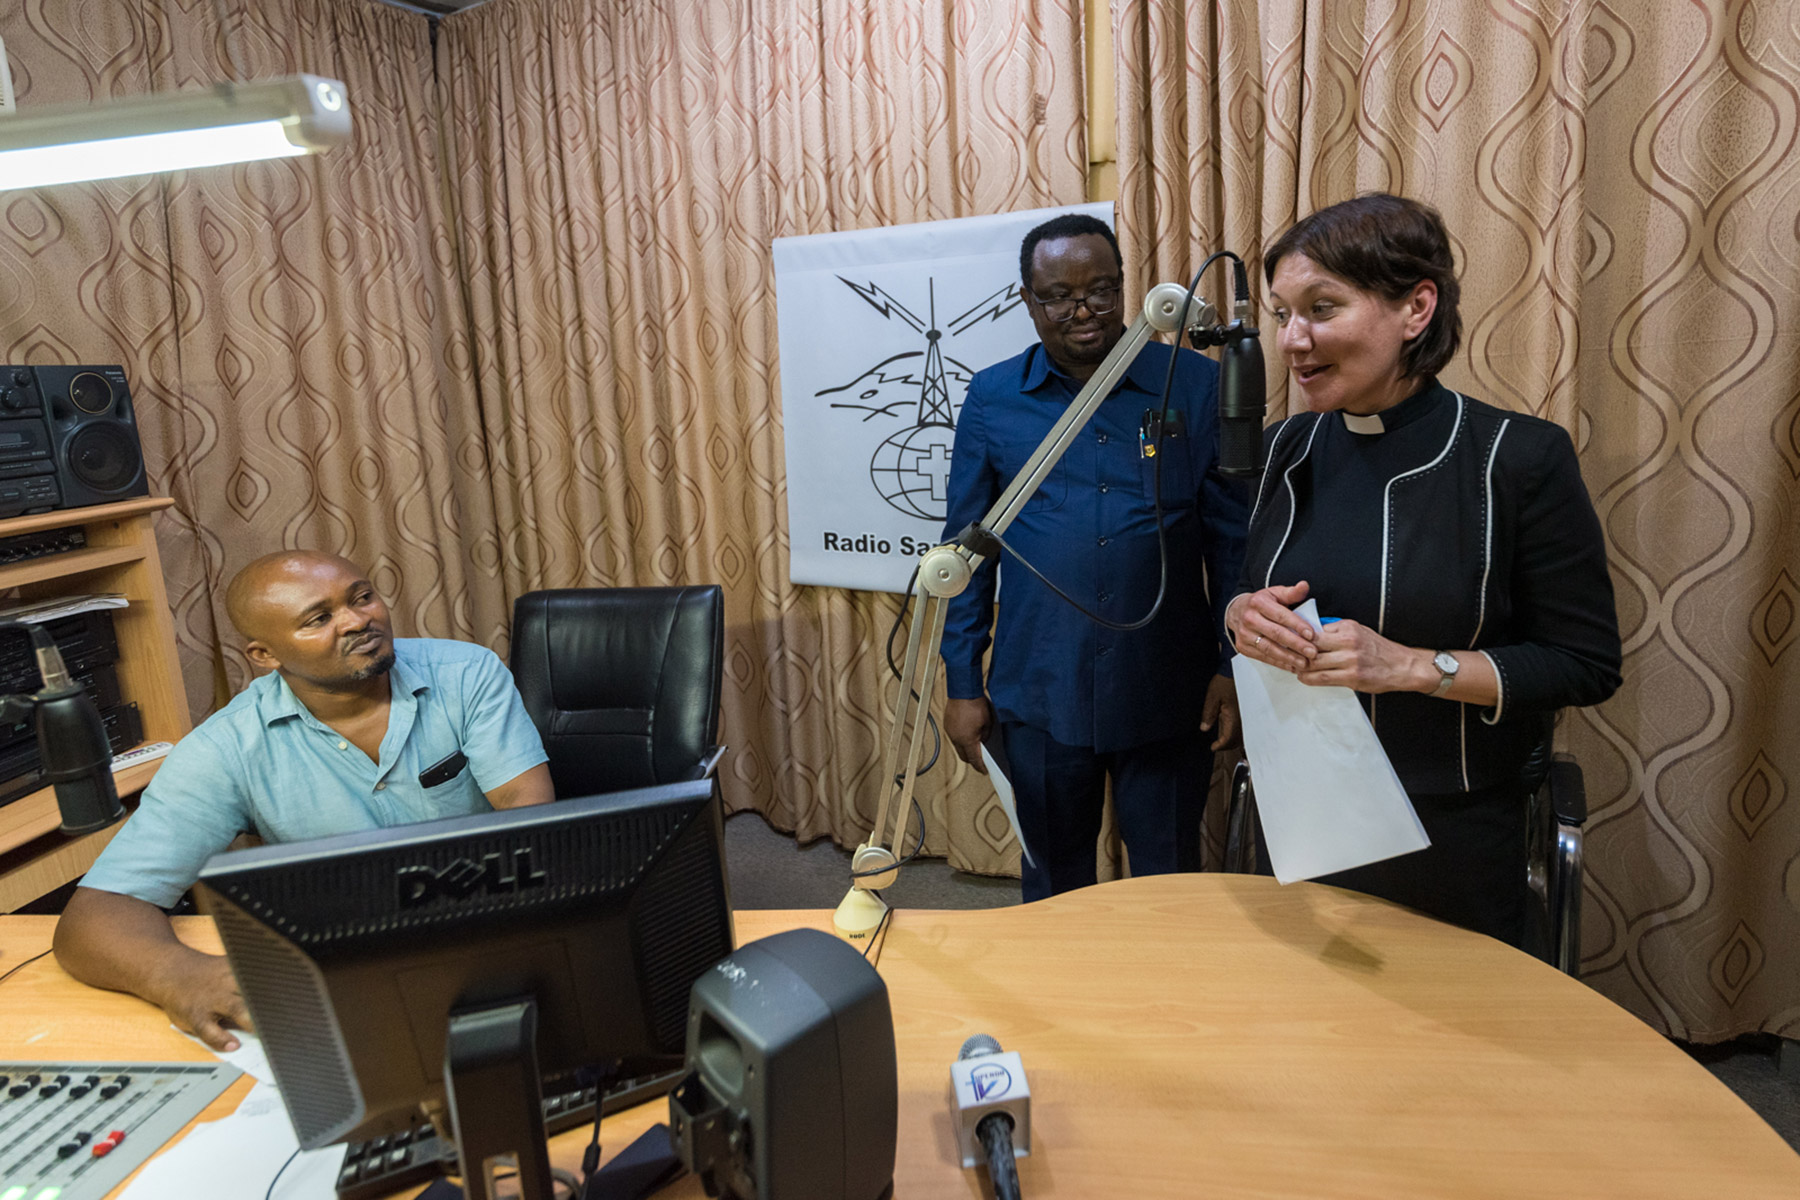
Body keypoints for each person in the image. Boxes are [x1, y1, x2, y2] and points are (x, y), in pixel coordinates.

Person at [1226, 193, 1622, 945]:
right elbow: (1247, 594)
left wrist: (1412, 666)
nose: (1292, 341)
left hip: (1451, 829)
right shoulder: (1285, 450)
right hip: (1303, 811)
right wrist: (1240, 617)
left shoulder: (1516, 459)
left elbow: (1584, 665)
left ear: (1416, 308)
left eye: (1321, 308)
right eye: (1282, 314)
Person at [53, 551, 553, 1048]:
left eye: (363, 597)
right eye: (320, 618)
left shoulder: (465, 673)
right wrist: (177, 974)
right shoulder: (225, 749)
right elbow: (96, 914)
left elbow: (529, 815)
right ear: (265, 656)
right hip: (354, 968)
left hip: (495, 933)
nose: (359, 620)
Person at [940, 212, 1250, 901]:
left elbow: (1233, 541)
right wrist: (963, 680)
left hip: (1169, 692)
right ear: (1028, 299)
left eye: (1102, 290)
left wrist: (1235, 669)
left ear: (1125, 289)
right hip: (1042, 690)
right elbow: (965, 555)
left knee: (1169, 886)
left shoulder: (1193, 385)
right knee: (1054, 883)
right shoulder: (992, 400)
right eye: (1057, 295)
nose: (1082, 310)